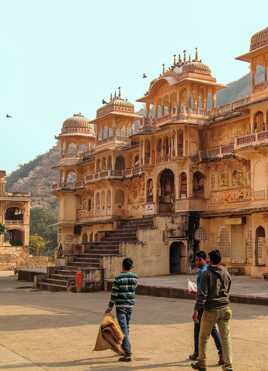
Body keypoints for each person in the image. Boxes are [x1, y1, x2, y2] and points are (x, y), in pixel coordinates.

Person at [191, 249, 233, 371]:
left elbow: (202, 295)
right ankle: (228, 365)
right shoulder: (225, 272)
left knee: (203, 338)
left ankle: (202, 363)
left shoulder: (206, 273)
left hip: (211, 309)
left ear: (210, 260)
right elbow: (228, 288)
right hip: (225, 308)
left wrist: (196, 310)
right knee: (226, 338)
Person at [105, 257, 138, 362]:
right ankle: (124, 349)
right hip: (130, 306)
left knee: (123, 330)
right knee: (126, 327)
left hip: (121, 307)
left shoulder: (118, 279)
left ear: (123, 266)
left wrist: (110, 307)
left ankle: (127, 353)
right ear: (131, 267)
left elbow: (114, 295)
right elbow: (133, 291)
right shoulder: (135, 278)